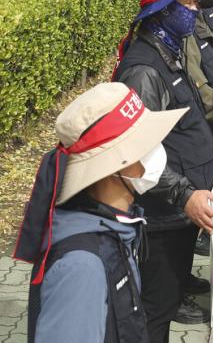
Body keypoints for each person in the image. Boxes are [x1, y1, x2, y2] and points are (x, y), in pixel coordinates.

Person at [14, 82, 194, 343]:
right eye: (144, 144)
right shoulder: (82, 267)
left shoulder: (116, 227)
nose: (156, 150)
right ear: (114, 166)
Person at [112, 0, 213, 339]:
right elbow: (134, 155)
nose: (195, 9)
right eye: (188, 1)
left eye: (196, 1)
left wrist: (209, 162)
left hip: (179, 211)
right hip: (160, 217)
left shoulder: (170, 52)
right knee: (155, 310)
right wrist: (184, 192)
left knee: (169, 296)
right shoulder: (144, 69)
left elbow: (180, 126)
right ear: (161, 10)